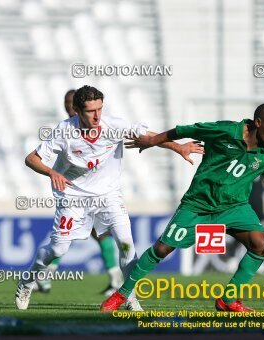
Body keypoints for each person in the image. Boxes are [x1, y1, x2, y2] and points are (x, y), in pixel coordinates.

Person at [15, 85, 203, 310]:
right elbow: (31, 159)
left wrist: (178, 147)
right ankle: (27, 280)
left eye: (100, 109)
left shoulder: (113, 126)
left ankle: (130, 297)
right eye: (90, 111)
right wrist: (52, 172)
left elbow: (151, 136)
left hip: (108, 196)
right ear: (77, 110)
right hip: (73, 195)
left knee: (126, 245)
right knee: (58, 250)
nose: (96, 116)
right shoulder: (64, 131)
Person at [100, 103, 264, 312]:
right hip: (198, 204)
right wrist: (152, 140)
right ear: (258, 123)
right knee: (162, 248)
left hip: (234, 207)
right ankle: (121, 295)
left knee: (260, 244)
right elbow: (184, 130)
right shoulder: (225, 130)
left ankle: (228, 300)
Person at [33, 89, 125, 297]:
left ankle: (115, 279)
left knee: (96, 234)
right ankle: (114, 279)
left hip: (96, 192)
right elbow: (35, 157)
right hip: (72, 192)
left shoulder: (99, 126)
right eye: (66, 103)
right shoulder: (65, 129)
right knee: (66, 237)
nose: (68, 106)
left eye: (70, 102)